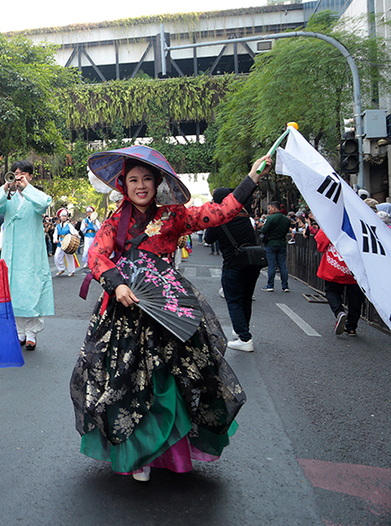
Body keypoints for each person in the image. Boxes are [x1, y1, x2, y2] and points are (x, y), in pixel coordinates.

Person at [70, 146, 270, 482]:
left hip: (168, 313)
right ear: (124, 184)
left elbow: (218, 213)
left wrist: (251, 179)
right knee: (128, 384)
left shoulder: (174, 216)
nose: (141, 185)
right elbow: (96, 255)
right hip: (126, 313)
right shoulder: (114, 221)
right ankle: (137, 454)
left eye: (147, 178)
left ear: (158, 182)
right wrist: (117, 284)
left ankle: (170, 452)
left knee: (171, 381)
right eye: (133, 180)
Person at [0, 160, 54, 351]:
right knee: (13, 292)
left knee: (31, 291)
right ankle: (19, 332)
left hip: (31, 252)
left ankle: (31, 334)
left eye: (23, 173)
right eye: (15, 173)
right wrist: (5, 187)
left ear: (30, 176)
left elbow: (44, 203)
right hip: (12, 253)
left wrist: (27, 187)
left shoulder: (35, 196)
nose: (19, 176)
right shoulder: (8, 197)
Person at [205, 188, 262, 352]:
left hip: (233, 263)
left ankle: (245, 338)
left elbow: (209, 238)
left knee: (233, 299)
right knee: (245, 298)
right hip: (252, 263)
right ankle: (241, 330)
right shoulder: (244, 215)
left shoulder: (220, 217)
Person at [313, 221, 364, 337]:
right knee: (356, 296)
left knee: (332, 291)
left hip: (335, 265)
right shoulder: (361, 219)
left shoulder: (332, 220)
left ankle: (339, 312)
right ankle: (351, 327)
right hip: (356, 266)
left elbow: (320, 243)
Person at [260, 201, 291, 293]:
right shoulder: (286, 219)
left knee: (271, 265)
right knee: (282, 265)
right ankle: (285, 286)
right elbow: (286, 231)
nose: (269, 210)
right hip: (281, 243)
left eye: (269, 208)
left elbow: (264, 230)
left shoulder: (270, 218)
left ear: (274, 208)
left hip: (271, 243)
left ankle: (270, 285)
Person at [53, 207, 79, 277]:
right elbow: (55, 234)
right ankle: (61, 269)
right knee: (57, 256)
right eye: (62, 216)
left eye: (65, 216)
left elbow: (74, 232)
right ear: (60, 217)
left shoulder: (69, 225)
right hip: (60, 243)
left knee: (69, 256)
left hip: (68, 242)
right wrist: (55, 239)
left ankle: (71, 271)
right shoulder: (57, 226)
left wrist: (75, 234)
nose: (63, 218)